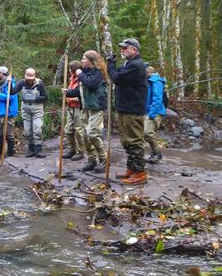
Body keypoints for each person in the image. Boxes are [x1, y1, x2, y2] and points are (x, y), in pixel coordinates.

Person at [107, 38, 148, 184]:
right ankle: (132, 169)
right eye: (122, 48)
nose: (122, 50)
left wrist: (110, 64)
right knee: (126, 141)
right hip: (125, 108)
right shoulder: (129, 64)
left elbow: (117, 78)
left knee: (134, 141)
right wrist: (113, 65)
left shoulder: (136, 65)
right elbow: (119, 74)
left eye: (126, 48)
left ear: (134, 50)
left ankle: (140, 172)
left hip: (132, 109)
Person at [65, 51, 108, 173]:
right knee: (84, 136)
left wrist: (79, 74)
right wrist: (68, 92)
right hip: (85, 108)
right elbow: (80, 91)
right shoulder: (85, 73)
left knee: (92, 134)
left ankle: (103, 159)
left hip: (96, 107)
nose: (82, 60)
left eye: (84, 58)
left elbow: (91, 84)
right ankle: (92, 160)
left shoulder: (98, 73)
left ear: (91, 60)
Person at [8, 68, 47, 158]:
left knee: (37, 129)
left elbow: (45, 96)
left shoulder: (39, 83)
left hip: (37, 109)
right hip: (26, 109)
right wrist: (9, 83)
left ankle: (38, 150)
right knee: (27, 131)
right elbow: (13, 92)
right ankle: (31, 149)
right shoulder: (21, 82)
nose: (29, 80)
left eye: (31, 78)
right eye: (28, 78)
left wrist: (36, 99)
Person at [0, 66, 18, 157]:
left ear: (2, 73)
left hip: (8, 113)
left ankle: (10, 153)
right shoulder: (2, 83)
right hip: (1, 113)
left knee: (9, 134)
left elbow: (11, 98)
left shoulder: (11, 84)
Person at [61, 60, 85, 161]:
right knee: (68, 129)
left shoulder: (81, 78)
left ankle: (80, 151)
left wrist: (74, 97)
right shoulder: (72, 78)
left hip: (78, 107)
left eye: (70, 69)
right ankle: (71, 149)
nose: (69, 71)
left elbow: (80, 93)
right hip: (70, 106)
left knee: (79, 130)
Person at [144, 66, 166, 163]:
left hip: (155, 112)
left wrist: (152, 114)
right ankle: (155, 153)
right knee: (148, 134)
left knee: (148, 133)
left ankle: (157, 153)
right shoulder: (150, 81)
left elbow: (157, 99)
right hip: (148, 111)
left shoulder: (156, 82)